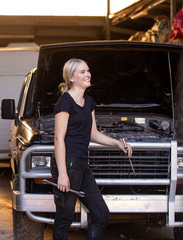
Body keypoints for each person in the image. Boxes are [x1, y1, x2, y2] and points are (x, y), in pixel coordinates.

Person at [51, 58, 133, 240]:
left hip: (81, 164)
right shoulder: (64, 103)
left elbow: (93, 134)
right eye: (82, 72)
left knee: (101, 214)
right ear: (71, 77)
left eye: (88, 70)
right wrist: (63, 173)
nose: (88, 74)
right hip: (67, 164)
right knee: (64, 218)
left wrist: (117, 142)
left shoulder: (89, 102)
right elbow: (58, 138)